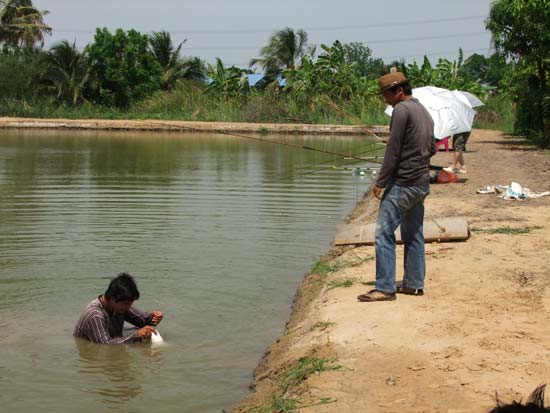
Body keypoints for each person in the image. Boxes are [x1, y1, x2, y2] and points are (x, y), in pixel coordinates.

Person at [357, 70, 436, 302]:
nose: (386, 101)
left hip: (403, 184)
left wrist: (380, 182)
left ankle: (385, 287)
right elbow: (431, 147)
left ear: (399, 91)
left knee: (383, 234)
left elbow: (393, 151)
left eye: (387, 96)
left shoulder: (401, 110)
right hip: (421, 183)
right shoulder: (422, 109)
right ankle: (413, 284)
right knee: (413, 234)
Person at [74, 272, 164, 344]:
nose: (129, 307)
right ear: (113, 298)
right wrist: (136, 336)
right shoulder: (95, 315)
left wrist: (154, 317)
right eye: (126, 303)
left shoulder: (120, 306)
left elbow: (143, 321)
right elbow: (105, 346)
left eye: (130, 303)